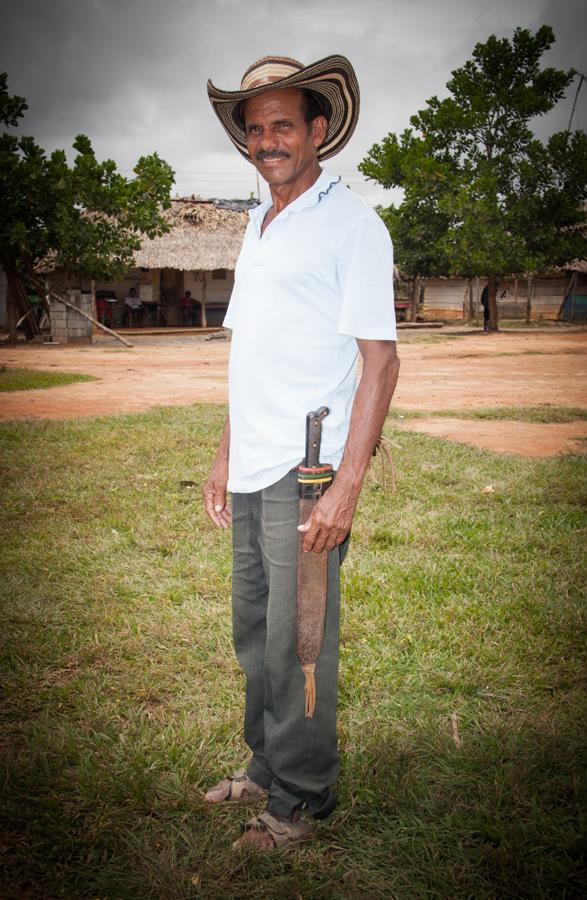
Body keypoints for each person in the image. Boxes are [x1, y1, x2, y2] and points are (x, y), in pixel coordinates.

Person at [203, 54, 399, 850]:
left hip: (305, 468)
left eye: (283, 124)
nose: (267, 140)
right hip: (252, 461)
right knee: (256, 631)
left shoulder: (353, 223)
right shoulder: (258, 221)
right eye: (255, 128)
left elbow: (381, 362)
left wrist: (344, 488)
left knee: (299, 637)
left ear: (319, 130)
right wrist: (222, 452)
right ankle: (263, 765)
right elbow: (248, 347)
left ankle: (303, 797)